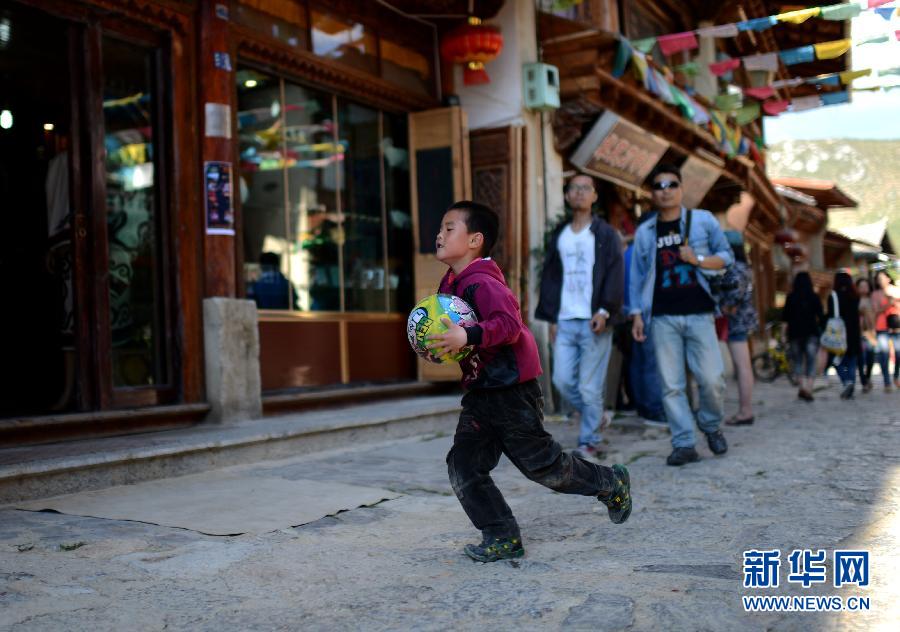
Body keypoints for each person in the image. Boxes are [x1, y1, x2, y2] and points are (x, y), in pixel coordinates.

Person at [425, 201, 631, 563]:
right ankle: (501, 534)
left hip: (511, 389)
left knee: (543, 467)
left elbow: (507, 325)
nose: (440, 234)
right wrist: (439, 344)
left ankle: (608, 482)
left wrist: (468, 335)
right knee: (464, 464)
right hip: (480, 393)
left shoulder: (483, 282)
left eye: (449, 227)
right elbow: (453, 331)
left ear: (475, 239)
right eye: (440, 228)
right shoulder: (450, 284)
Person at [629, 164, 733, 466]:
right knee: (671, 384)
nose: (665, 190)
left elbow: (726, 256)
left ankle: (711, 424)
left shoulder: (702, 221)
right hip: (662, 317)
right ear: (652, 193)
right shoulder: (646, 231)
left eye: (671, 184)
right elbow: (637, 276)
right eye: (659, 186)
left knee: (712, 379)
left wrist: (697, 259)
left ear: (682, 189)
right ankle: (684, 442)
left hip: (700, 313)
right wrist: (637, 313)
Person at [535, 174, 624, 458]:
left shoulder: (606, 234)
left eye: (586, 188)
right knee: (562, 381)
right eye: (574, 188)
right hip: (564, 320)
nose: (579, 193)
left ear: (595, 196)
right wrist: (550, 318)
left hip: (594, 319)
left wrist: (605, 310)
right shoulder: (560, 235)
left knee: (589, 386)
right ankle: (596, 416)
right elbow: (550, 278)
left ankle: (589, 440)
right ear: (567, 195)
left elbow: (615, 273)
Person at [720, 231, 758, 426]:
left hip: (736, 321)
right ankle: (745, 409)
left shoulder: (736, 269)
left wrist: (725, 307)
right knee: (743, 366)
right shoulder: (745, 267)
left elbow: (735, 295)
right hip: (742, 320)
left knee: (742, 366)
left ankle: (745, 410)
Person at [782, 272, 824, 401]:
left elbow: (785, 319)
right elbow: (821, 316)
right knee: (811, 362)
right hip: (811, 333)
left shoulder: (790, 297)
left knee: (798, 361)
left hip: (794, 334)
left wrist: (783, 335)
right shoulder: (814, 297)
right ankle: (809, 389)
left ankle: (802, 387)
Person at [828, 272, 860, 399]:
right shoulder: (855, 296)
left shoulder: (833, 296)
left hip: (838, 333)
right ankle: (850, 383)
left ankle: (846, 381)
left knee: (836, 361)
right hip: (853, 333)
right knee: (852, 360)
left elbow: (830, 315)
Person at [871, 270, 900, 391]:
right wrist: (889, 303)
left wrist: (895, 302)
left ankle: (896, 376)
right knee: (884, 354)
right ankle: (887, 382)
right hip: (881, 326)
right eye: (878, 279)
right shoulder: (875, 294)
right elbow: (876, 311)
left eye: (882, 278)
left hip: (896, 325)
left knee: (899, 353)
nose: (881, 281)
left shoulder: (896, 290)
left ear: (888, 278)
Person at [856, 277, 877, 393]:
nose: (864, 288)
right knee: (860, 358)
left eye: (865, 286)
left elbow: (875, 316)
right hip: (858, 333)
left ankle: (868, 377)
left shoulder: (871, 300)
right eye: (861, 286)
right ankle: (863, 381)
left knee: (870, 356)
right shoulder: (854, 300)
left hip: (870, 332)